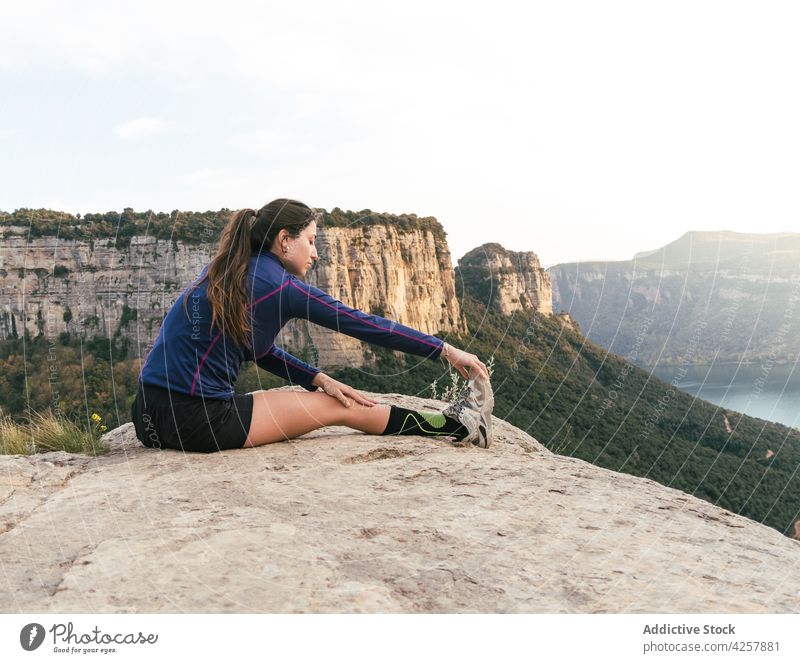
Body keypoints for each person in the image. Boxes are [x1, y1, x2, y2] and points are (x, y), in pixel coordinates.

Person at [130, 198, 494, 453]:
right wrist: (444, 349)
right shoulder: (281, 286)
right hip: (196, 422)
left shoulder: (225, 269)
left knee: (327, 394)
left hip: (147, 415)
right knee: (342, 408)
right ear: (284, 240)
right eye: (310, 240)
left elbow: (256, 349)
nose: (316, 252)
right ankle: (457, 425)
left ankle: (452, 423)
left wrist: (318, 378)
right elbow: (363, 324)